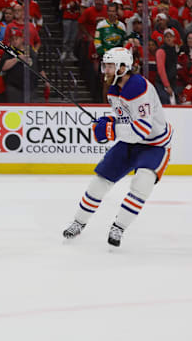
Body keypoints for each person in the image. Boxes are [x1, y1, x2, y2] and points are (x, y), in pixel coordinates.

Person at [63, 48, 173, 247]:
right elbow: (125, 117)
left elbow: (142, 129)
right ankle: (78, 222)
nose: (106, 69)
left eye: (111, 65)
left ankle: (119, 227)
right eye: (106, 65)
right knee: (99, 181)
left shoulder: (138, 87)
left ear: (124, 67)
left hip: (155, 145)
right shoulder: (114, 89)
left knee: (142, 184)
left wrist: (110, 130)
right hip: (130, 142)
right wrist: (109, 120)